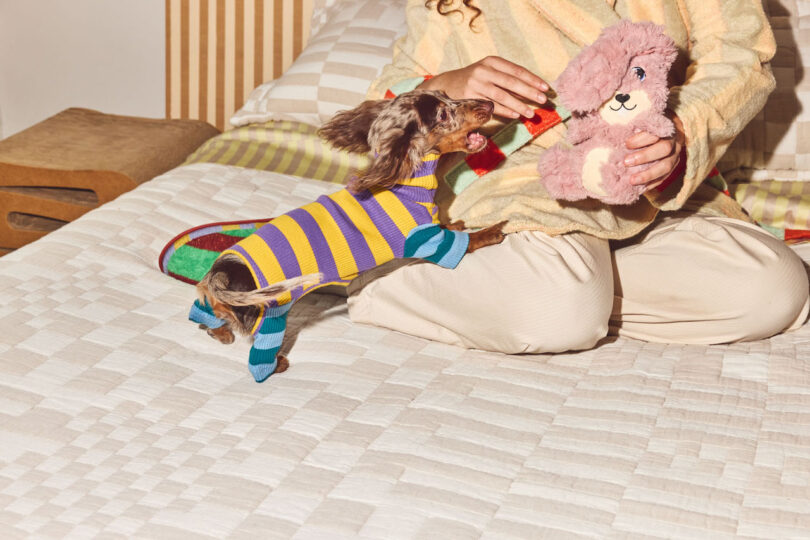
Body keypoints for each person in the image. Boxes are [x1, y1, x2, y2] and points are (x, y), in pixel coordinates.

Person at [346, 0, 810, 353]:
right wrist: (448, 86)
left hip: (652, 175)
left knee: (773, 290)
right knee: (555, 310)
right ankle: (380, 278)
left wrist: (678, 136)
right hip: (521, 175)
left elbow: (740, 54)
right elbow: (382, 107)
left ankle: (559, 283)